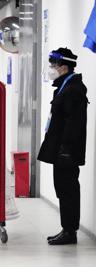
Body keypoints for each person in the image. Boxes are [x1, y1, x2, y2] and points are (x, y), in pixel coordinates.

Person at [38, 48, 88, 245]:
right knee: (63, 189)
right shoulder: (64, 86)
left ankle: (70, 231)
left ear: (64, 67)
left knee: (68, 190)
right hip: (61, 149)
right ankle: (66, 229)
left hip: (66, 152)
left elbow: (74, 123)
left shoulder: (74, 89)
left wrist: (65, 150)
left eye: (54, 65)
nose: (51, 68)